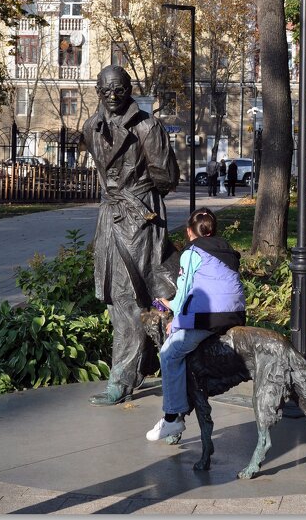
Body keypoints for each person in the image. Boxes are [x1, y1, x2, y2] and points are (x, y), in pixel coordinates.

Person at [82, 65, 180, 405]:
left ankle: (121, 379)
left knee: (128, 297)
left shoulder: (147, 127)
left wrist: (136, 194)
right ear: (98, 90)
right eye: (106, 89)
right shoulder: (90, 127)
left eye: (119, 89)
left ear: (130, 89)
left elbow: (167, 178)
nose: (112, 95)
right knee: (113, 295)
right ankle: (143, 363)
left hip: (138, 218)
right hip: (110, 217)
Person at [146, 207, 246, 441]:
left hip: (207, 317)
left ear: (190, 232)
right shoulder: (225, 250)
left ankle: (172, 418)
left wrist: (173, 315)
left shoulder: (191, 253)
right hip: (234, 314)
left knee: (169, 353)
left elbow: (183, 295)